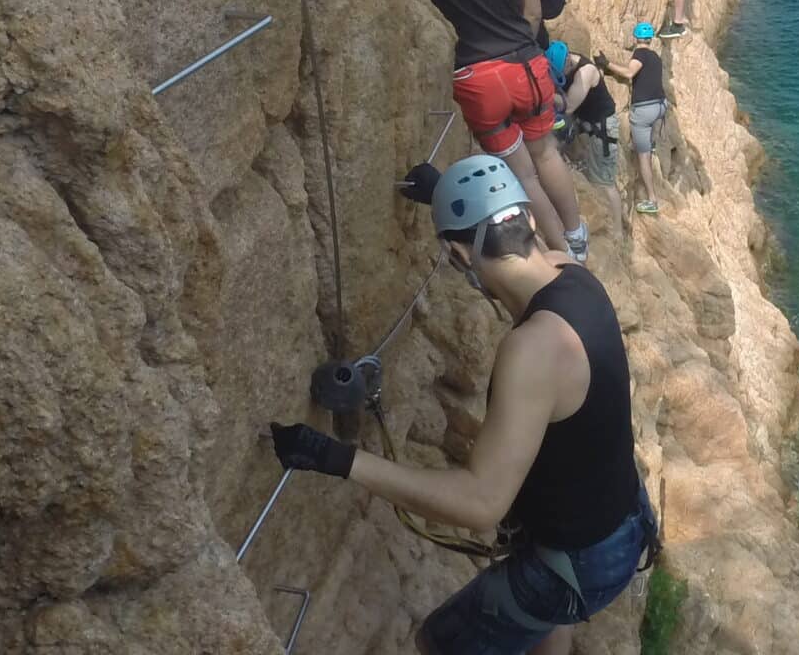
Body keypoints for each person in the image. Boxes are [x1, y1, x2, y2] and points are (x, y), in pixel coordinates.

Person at [269, 156, 655, 653]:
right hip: (618, 522)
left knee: (437, 643)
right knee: (541, 618)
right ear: (528, 219)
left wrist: (339, 460)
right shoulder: (572, 271)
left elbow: (480, 503)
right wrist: (446, 198)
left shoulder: (533, 350)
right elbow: (489, 227)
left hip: (579, 562)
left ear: (457, 253)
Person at [404, 0, 587, 262]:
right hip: (527, 66)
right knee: (545, 153)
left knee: (523, 172)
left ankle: (562, 253)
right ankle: (576, 235)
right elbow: (534, 12)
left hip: (477, 77)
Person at [622, 24, 671, 216]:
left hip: (644, 110)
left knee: (643, 156)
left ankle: (652, 199)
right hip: (660, 106)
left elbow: (629, 73)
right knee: (648, 146)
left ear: (635, 38)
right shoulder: (656, 58)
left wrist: (607, 65)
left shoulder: (639, 55)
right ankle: (648, 146)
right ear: (651, 39)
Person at [554, 46, 619, 184]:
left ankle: (610, 205)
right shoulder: (568, 61)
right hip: (587, 123)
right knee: (592, 173)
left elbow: (569, 106)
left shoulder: (585, 72)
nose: (562, 77)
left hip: (603, 127)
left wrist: (545, 94)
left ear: (568, 61)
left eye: (561, 73)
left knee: (604, 183)